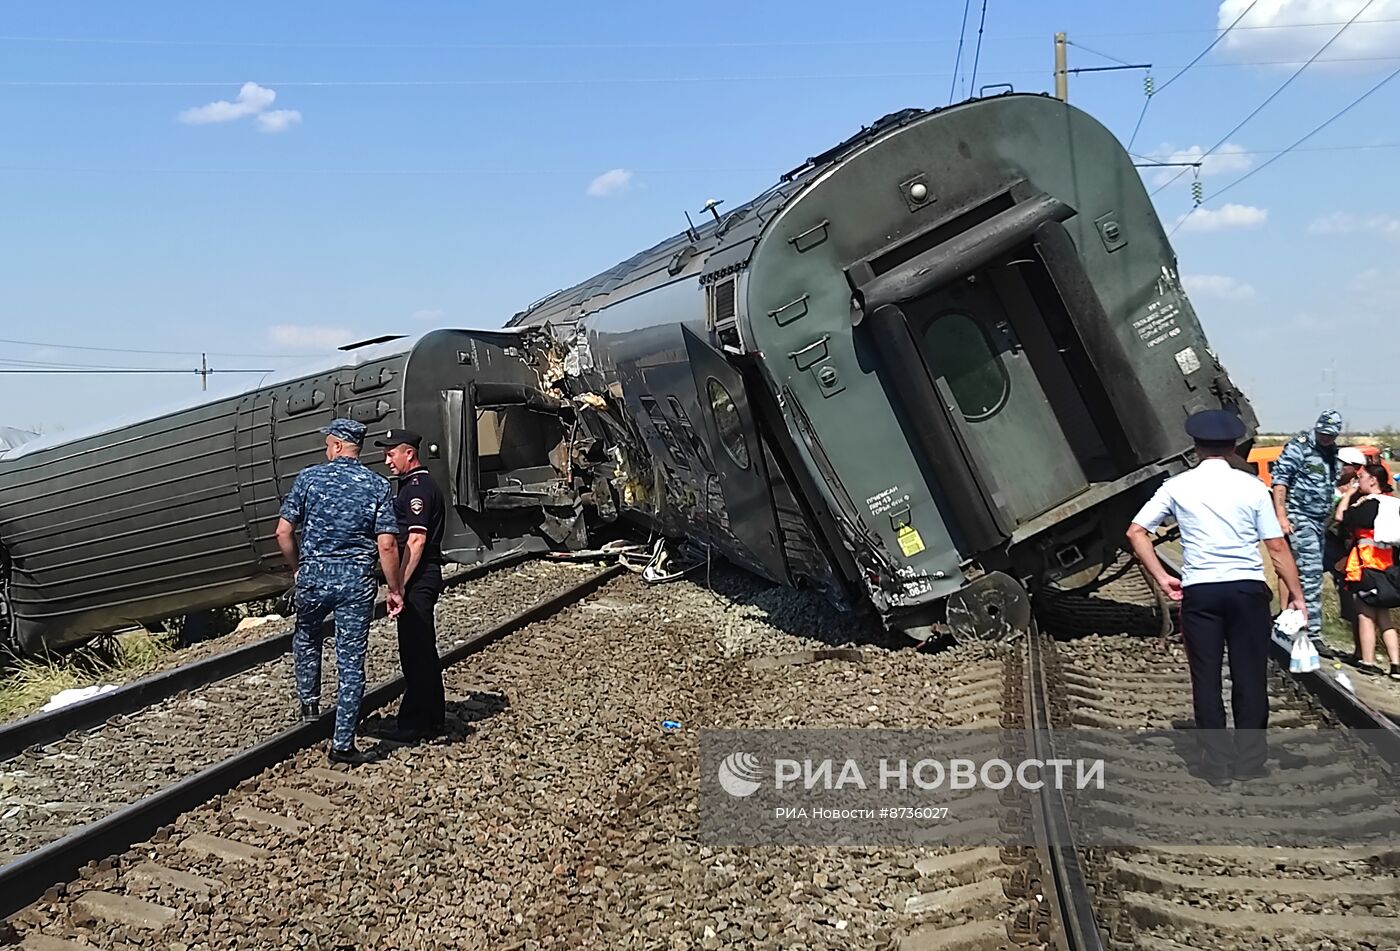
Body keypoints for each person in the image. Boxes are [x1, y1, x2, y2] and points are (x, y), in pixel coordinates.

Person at [1127, 410, 1306, 786]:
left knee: (1206, 678)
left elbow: (1136, 532)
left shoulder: (1178, 487)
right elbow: (1275, 546)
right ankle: (1251, 761)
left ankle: (1217, 764)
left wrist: (1163, 577)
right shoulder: (1252, 487)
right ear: (1232, 446)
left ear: (1195, 446)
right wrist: (1296, 593)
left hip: (1201, 592)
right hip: (1247, 591)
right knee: (1250, 676)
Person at [275, 418, 404, 765]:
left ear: (335, 446)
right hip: (355, 582)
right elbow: (388, 545)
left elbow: (283, 532)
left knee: (306, 638)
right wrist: (395, 589)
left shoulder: (309, 479)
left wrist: (298, 568)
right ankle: (343, 743)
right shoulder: (377, 486)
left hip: (314, 577)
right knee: (350, 662)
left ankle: (309, 704)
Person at [372, 428, 447, 742]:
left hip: (418, 576)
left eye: (391, 453)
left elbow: (415, 541)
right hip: (421, 575)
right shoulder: (412, 486)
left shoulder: (416, 490)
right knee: (422, 649)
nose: (387, 460)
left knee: (415, 650)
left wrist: (397, 586)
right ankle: (432, 716)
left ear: (408, 454)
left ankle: (415, 722)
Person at [1271, 410, 1344, 656]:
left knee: (1306, 574)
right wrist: (1281, 516)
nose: (1325, 438)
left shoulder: (1333, 453)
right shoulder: (1299, 447)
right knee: (1310, 574)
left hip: (1318, 521)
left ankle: (1290, 627)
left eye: (1330, 435)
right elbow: (1280, 481)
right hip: (1299, 518)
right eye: (1322, 433)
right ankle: (1312, 633)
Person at [1334, 463, 1400, 679]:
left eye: (1361, 477)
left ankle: (1368, 661)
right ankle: (1396, 664)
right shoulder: (1393, 503)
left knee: (1365, 615)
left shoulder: (1368, 505)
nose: (1357, 480)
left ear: (1373, 480)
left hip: (1366, 564)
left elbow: (1341, 516)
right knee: (1385, 618)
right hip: (1388, 565)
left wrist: (1350, 494)